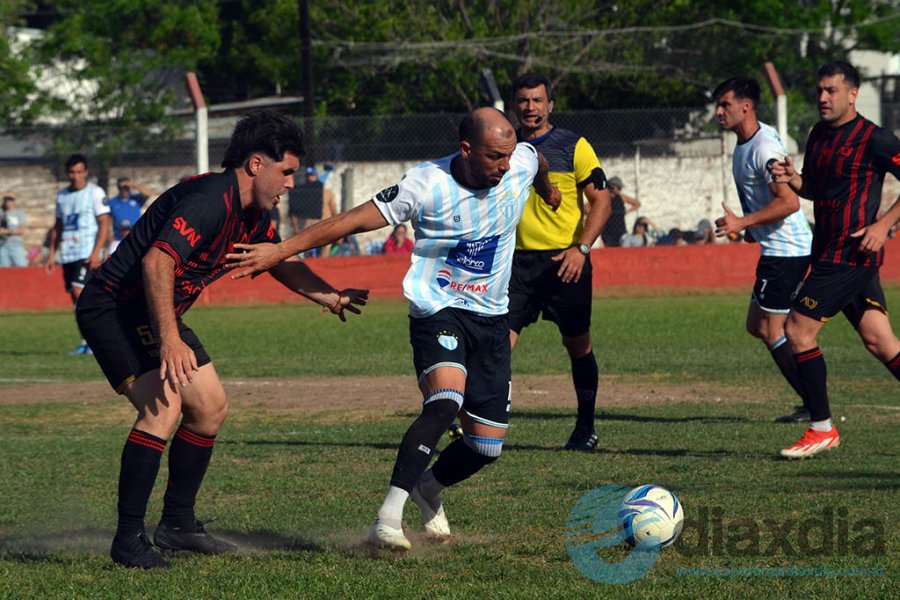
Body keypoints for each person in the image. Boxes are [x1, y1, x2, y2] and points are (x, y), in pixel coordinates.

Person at [226, 107, 561, 550]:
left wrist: (548, 189)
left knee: (485, 447)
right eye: (494, 156)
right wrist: (280, 250)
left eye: (507, 155)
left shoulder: (519, 160)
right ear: (465, 149)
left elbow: (535, 160)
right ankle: (387, 519)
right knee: (445, 401)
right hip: (438, 308)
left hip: (492, 318)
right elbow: (351, 220)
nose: (504, 164)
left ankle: (428, 488)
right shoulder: (426, 184)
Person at [74, 109, 368, 569]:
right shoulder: (210, 200)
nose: (291, 183)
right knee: (164, 407)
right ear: (255, 164)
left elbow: (276, 259)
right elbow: (157, 264)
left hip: (155, 311)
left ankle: (177, 526)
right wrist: (171, 340)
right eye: (286, 171)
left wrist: (328, 297)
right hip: (112, 309)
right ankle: (128, 538)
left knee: (209, 408)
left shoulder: (253, 213)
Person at [770, 61, 900, 458]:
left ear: (853, 94)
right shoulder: (819, 134)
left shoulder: (876, 139)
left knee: (797, 330)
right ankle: (821, 428)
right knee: (881, 342)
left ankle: (822, 428)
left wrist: (885, 225)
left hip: (848, 256)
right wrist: (794, 178)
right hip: (829, 253)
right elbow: (816, 189)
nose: (823, 98)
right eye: (820, 91)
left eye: (831, 91)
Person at [508, 73, 612, 451]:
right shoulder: (505, 147)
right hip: (515, 266)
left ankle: (586, 428)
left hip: (566, 262)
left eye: (537, 100)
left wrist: (581, 249)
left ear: (550, 105)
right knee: (498, 346)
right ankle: (486, 428)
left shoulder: (574, 146)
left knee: (577, 345)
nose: (530, 107)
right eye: (523, 100)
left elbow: (602, 202)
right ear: (514, 105)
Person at [712, 76, 814, 424]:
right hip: (776, 249)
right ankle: (811, 400)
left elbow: (789, 203)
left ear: (746, 106)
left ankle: (814, 404)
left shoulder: (763, 149)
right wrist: (750, 227)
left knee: (774, 329)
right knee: (758, 324)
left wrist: (744, 223)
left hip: (788, 251)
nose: (718, 111)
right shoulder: (745, 144)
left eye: (725, 104)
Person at [44, 154, 111, 355]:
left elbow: (105, 222)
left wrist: (97, 251)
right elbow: (58, 226)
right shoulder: (62, 196)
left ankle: (97, 339)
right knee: (77, 301)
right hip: (69, 254)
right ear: (67, 173)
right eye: (72, 172)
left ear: (86, 172)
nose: (76, 176)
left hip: (87, 253)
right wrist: (51, 255)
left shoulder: (95, 193)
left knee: (79, 292)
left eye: (79, 172)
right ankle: (86, 341)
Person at [288, 165, 337, 257]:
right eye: (308, 176)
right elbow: (295, 212)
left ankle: (323, 266)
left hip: (325, 223)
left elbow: (334, 210)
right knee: (307, 250)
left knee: (326, 246)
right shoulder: (303, 193)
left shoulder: (327, 192)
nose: (310, 178)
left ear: (316, 177)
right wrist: (296, 229)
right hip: (310, 225)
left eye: (312, 176)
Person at [108, 177, 154, 252]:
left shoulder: (136, 199)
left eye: (127, 187)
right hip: (118, 239)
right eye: (122, 188)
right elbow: (108, 219)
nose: (125, 189)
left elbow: (148, 194)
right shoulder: (112, 202)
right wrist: (108, 235)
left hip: (135, 238)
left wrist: (133, 185)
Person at [599, 176, 639, 247]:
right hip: (608, 231)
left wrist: (627, 212)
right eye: (619, 188)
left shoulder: (621, 197)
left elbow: (637, 203)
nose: (620, 190)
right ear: (612, 187)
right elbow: (586, 207)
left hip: (620, 230)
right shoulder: (604, 198)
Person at [0, 193, 28, 267]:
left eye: (10, 200)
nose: (8, 202)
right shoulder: (1, 213)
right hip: (2, 245)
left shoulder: (19, 213)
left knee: (21, 266)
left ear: (14, 202)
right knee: (4, 269)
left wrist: (7, 231)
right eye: (6, 200)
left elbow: (21, 231)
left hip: (16, 244)